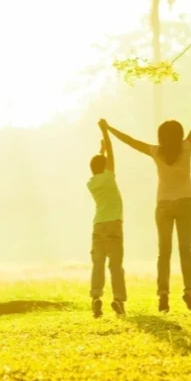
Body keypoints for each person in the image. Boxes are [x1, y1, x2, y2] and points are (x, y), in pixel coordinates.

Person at [102, 86, 191, 313]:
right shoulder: (186, 147)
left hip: (163, 205)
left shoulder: (155, 151)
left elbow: (130, 141)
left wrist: (109, 129)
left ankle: (163, 294)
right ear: (179, 134)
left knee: (164, 251)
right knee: (185, 250)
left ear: (161, 136)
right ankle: (189, 292)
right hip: (185, 202)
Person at [86, 121, 126, 318]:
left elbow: (99, 164)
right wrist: (105, 131)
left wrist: (99, 151)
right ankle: (118, 299)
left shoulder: (91, 183)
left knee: (98, 264)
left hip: (98, 225)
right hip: (114, 224)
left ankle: (96, 297)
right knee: (116, 265)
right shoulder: (110, 177)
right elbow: (111, 153)